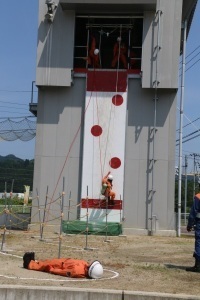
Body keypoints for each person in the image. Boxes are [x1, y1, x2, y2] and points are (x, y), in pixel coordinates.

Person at [23, 252, 103, 279]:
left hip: (61, 266)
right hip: (64, 261)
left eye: (91, 265)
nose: (90, 263)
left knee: (46, 265)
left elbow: (64, 272)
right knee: (48, 261)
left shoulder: (77, 271)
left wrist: (52, 270)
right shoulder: (85, 265)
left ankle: (28, 264)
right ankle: (33, 261)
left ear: (90, 270)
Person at [186, 187, 200, 272]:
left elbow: (193, 212)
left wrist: (189, 224)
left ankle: (198, 265)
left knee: (199, 242)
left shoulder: (198, 197)